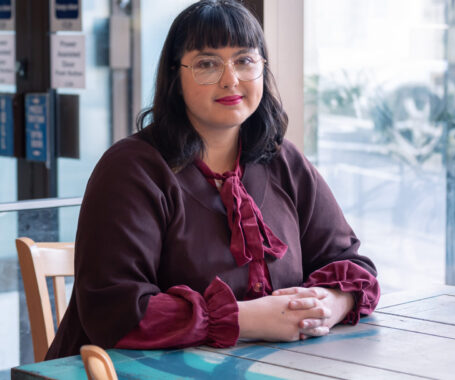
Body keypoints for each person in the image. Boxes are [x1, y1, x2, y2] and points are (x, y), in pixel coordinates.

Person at [46, 0, 379, 359]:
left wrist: (331, 302)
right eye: (207, 63)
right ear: (175, 77)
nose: (230, 79)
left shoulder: (284, 160)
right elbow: (115, 311)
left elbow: (351, 264)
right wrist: (246, 318)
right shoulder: (131, 169)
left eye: (245, 60)